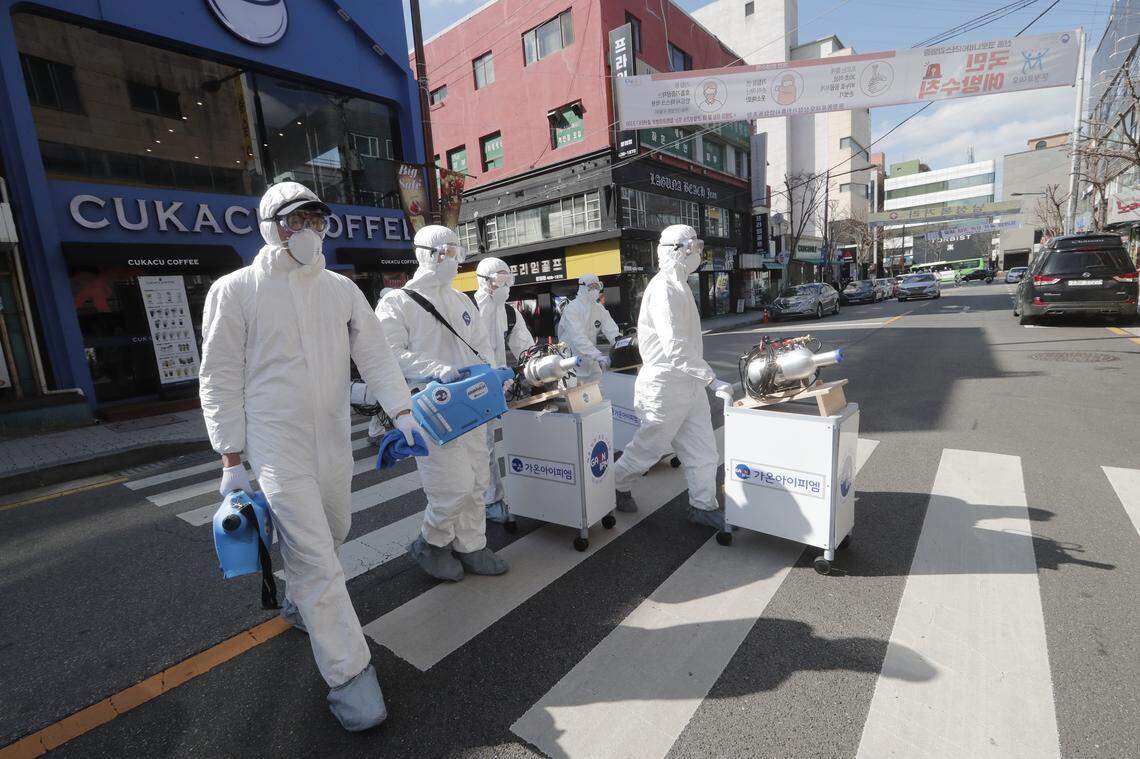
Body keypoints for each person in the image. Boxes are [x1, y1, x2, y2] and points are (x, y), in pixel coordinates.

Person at [199, 181, 421, 731]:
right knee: (318, 559)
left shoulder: (340, 289)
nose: (311, 232)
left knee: (335, 531)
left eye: (318, 221)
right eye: (299, 221)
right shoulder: (236, 290)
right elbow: (219, 376)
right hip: (275, 446)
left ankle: (302, 603)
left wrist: (405, 412)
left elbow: (374, 352)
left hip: (331, 439)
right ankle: (352, 680)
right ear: (273, 226)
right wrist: (231, 458)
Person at [376, 225, 509, 582]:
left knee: (479, 479)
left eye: (457, 252)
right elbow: (387, 352)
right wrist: (438, 371)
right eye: (449, 252)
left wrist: (495, 377)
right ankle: (431, 543)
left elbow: (483, 347)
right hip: (431, 407)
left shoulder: (461, 300)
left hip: (473, 403)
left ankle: (472, 546)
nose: (455, 260)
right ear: (428, 254)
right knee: (452, 485)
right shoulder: (397, 302)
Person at [610, 224, 732, 526]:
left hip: (687, 384)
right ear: (680, 251)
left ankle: (703, 505)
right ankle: (616, 483)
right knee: (648, 448)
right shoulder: (664, 289)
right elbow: (675, 347)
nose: (700, 255)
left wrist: (701, 379)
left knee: (703, 448)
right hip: (664, 386)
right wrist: (712, 379)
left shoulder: (681, 285)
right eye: (696, 248)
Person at [474, 257, 535, 523]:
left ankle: (491, 497)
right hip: (473, 389)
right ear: (485, 280)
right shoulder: (468, 309)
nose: (506, 285)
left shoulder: (510, 312)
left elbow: (525, 347)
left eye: (509, 279)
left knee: (490, 444)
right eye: (500, 280)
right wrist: (490, 375)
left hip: (500, 386)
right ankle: (489, 500)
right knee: (482, 446)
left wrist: (541, 365)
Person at [557, 273, 619, 385]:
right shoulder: (572, 309)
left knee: (598, 394)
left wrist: (620, 345)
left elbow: (611, 330)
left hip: (591, 360)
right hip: (571, 361)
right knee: (573, 397)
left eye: (597, 287)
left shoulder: (599, 309)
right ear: (582, 287)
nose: (595, 290)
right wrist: (597, 355)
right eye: (591, 287)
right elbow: (578, 337)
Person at [367, 286, 398, 446]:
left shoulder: (380, 313)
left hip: (386, 366)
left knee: (385, 400)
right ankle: (375, 432)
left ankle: (377, 431)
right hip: (386, 366)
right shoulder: (385, 314)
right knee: (384, 401)